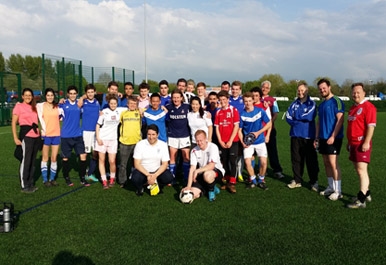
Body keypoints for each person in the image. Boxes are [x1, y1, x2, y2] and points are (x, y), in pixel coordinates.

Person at [346, 82, 376, 209]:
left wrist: (366, 142)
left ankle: (361, 199)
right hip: (353, 143)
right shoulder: (353, 108)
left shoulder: (369, 107)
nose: (356, 94)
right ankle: (366, 192)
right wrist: (349, 142)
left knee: (361, 170)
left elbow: (371, 127)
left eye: (358, 92)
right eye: (354, 92)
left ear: (364, 93)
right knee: (359, 171)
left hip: (362, 143)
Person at [285, 82, 319, 191]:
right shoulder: (293, 104)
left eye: (302, 90)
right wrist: (297, 121)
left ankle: (314, 182)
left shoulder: (311, 103)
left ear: (307, 91)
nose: (300, 92)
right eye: (299, 90)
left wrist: (296, 117)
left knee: (311, 160)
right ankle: (297, 180)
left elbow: (309, 116)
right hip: (295, 134)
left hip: (308, 135)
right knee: (296, 159)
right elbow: (288, 116)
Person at [315, 78, 345, 201]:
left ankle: (338, 191)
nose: (322, 90)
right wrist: (316, 137)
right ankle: (331, 187)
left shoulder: (336, 101)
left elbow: (340, 119)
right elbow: (319, 122)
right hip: (323, 138)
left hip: (334, 138)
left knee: (333, 163)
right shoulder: (321, 105)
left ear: (329, 87)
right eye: (320, 89)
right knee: (326, 163)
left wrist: (333, 136)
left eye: (324, 88)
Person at [238, 92, 271, 190]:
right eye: (245, 101)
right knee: (247, 162)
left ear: (253, 101)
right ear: (243, 102)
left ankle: (261, 180)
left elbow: (269, 124)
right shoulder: (242, 115)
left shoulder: (260, 111)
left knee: (264, 163)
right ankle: (253, 180)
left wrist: (259, 133)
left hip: (260, 141)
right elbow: (239, 130)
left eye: (249, 101)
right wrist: (242, 142)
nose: (248, 103)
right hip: (248, 143)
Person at [59, 85, 90, 187]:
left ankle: (82, 178)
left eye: (74, 93)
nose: (72, 95)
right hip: (66, 136)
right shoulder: (63, 104)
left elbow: (90, 96)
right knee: (65, 158)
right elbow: (56, 114)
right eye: (70, 93)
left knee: (83, 156)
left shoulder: (80, 103)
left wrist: (82, 97)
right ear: (68, 94)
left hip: (78, 135)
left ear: (77, 94)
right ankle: (67, 177)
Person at [12, 88, 41, 193]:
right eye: (26, 95)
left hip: (36, 136)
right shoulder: (18, 106)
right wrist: (15, 137)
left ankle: (30, 183)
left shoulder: (34, 107)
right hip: (26, 136)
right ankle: (25, 185)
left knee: (33, 161)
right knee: (26, 160)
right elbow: (14, 123)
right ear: (22, 96)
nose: (28, 97)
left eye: (30, 95)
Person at [131, 124, 174, 196]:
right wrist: (148, 174)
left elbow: (165, 164)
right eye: (149, 134)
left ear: (158, 134)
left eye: (153, 134)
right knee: (135, 178)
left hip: (157, 171)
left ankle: (157, 184)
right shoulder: (140, 144)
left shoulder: (163, 145)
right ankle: (140, 188)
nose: (151, 137)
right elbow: (137, 164)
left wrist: (154, 176)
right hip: (143, 171)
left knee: (169, 178)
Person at [95, 94, 127, 189]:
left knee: (112, 161)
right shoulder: (104, 112)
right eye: (111, 103)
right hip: (102, 139)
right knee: (102, 160)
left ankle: (112, 179)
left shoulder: (120, 110)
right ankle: (104, 180)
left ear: (117, 103)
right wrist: (98, 138)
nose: (113, 105)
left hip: (113, 140)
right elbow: (98, 125)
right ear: (108, 103)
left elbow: (132, 107)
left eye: (115, 103)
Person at [182, 130, 224, 201]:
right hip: (202, 173)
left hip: (216, 172)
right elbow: (192, 168)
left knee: (207, 175)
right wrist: (188, 186)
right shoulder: (194, 151)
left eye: (201, 140)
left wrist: (197, 171)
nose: (199, 143)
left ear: (206, 139)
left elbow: (211, 166)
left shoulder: (213, 147)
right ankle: (211, 187)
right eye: (197, 141)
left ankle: (211, 191)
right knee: (193, 194)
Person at [214, 90, 240, 193]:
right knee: (224, 161)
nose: (222, 101)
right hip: (222, 141)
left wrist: (230, 140)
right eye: (220, 100)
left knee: (232, 160)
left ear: (228, 99)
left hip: (232, 141)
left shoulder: (233, 110)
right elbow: (216, 127)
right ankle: (227, 180)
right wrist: (220, 141)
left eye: (224, 99)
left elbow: (236, 126)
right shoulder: (218, 111)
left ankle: (232, 183)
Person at [165, 89, 191, 183]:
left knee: (186, 157)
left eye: (178, 97)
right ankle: (172, 178)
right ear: (171, 98)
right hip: (172, 136)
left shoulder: (188, 107)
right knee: (172, 158)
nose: (176, 99)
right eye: (174, 97)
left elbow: (198, 111)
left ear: (181, 98)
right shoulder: (168, 107)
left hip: (185, 136)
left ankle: (186, 177)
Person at [37, 88, 61, 187]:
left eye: (52, 95)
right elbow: (30, 104)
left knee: (54, 158)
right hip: (46, 135)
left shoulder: (58, 107)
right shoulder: (40, 106)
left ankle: (52, 179)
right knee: (45, 157)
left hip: (56, 134)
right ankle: (45, 179)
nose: (50, 97)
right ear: (45, 96)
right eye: (48, 95)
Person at [261, 80, 284, 179]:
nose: (264, 89)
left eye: (267, 88)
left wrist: (269, 123)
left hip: (270, 129)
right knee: (261, 151)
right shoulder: (256, 98)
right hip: (260, 130)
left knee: (272, 151)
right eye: (263, 87)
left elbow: (276, 114)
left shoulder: (273, 100)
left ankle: (277, 170)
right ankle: (263, 170)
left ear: (269, 89)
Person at [77, 84, 100, 183]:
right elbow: (76, 105)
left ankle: (90, 173)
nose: (90, 94)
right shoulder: (83, 102)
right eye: (88, 92)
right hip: (86, 131)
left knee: (95, 153)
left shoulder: (97, 102)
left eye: (92, 92)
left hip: (96, 131)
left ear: (95, 92)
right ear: (86, 93)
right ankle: (83, 173)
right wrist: (82, 97)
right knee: (85, 154)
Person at [118, 96, 142, 188]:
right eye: (131, 103)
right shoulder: (123, 113)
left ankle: (136, 179)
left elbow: (150, 107)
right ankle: (122, 181)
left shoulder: (139, 112)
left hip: (137, 142)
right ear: (127, 104)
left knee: (137, 163)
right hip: (124, 142)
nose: (132, 105)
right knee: (123, 164)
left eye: (134, 104)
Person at [229, 81, 245, 182]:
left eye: (236, 89)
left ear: (240, 90)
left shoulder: (243, 100)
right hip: (229, 130)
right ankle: (232, 173)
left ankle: (240, 173)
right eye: (233, 89)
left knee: (240, 152)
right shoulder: (228, 100)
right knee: (231, 153)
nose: (234, 91)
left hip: (241, 130)